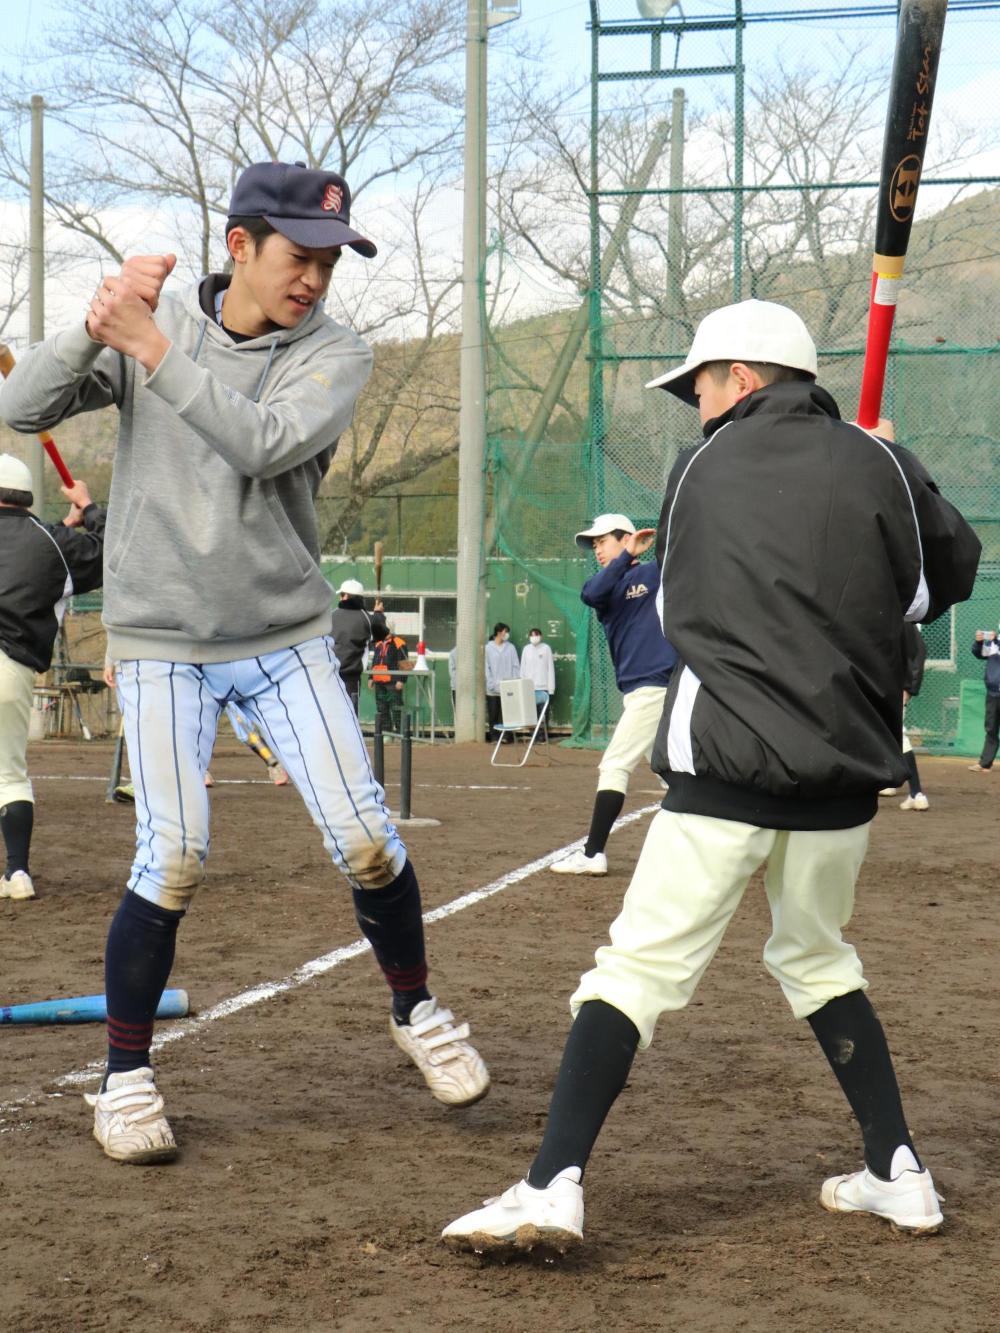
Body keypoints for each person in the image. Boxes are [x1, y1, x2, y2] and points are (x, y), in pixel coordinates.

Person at [442, 298, 979, 1255]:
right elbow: (943, 579)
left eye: (701, 385)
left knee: (636, 969)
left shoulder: (699, 470)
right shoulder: (883, 467)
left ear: (743, 378)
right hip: (843, 784)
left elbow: (693, 595)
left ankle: (549, 1183)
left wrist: (876, 466)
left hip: (725, 769)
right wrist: (900, 469)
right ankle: (899, 1169)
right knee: (819, 963)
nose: (697, 405)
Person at [0, 160, 489, 1165]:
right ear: (239, 246)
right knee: (172, 854)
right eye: (298, 256)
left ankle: (415, 1008)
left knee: (365, 837)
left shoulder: (337, 351)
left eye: (329, 260)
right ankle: (126, 1079)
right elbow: (29, 408)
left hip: (282, 634)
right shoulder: (155, 321)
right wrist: (95, 323)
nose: (314, 276)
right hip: (160, 638)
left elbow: (261, 443)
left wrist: (154, 348)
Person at [0, 455, 105, 901]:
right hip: (11, 666)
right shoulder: (52, 541)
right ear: (27, 498)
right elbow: (111, 548)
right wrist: (87, 506)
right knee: (8, 775)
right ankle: (17, 872)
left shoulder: (50, 538)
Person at [550, 515, 677, 876]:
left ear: (624, 538)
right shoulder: (603, 586)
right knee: (672, 774)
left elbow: (679, 566)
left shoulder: (654, 573)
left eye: (602, 541)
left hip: (657, 685)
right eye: (594, 545)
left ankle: (593, 854)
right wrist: (624, 556)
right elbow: (591, 594)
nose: (598, 549)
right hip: (641, 689)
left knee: (614, 765)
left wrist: (641, 550)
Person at [330, 577, 387, 714]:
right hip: (352, 678)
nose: (340, 598)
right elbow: (382, 633)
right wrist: (378, 613)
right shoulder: (367, 618)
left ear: (347, 596)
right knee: (350, 716)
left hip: (329, 675)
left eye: (342, 595)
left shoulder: (331, 616)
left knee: (331, 715)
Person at [897, 623, 929, 811]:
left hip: (892, 689)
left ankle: (917, 793)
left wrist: (909, 688)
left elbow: (919, 651)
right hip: (877, 689)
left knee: (898, 735)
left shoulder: (902, 619)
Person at [968, 627, 1000, 772]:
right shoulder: (994, 644)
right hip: (993, 693)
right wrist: (979, 643)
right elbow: (979, 653)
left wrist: (995, 641)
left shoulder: (996, 642)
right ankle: (985, 763)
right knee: (991, 728)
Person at [369, 622, 409, 734]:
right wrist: (371, 677)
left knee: (396, 707)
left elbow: (404, 663)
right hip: (379, 681)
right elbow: (375, 660)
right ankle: (387, 732)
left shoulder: (399, 643)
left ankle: (401, 732)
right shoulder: (378, 643)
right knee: (382, 707)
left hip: (393, 682)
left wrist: (401, 680)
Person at [484, 622, 518, 743]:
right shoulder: (488, 648)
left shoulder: (511, 647)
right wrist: (491, 683)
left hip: (508, 687)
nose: (507, 634)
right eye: (505, 631)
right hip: (492, 688)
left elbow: (515, 666)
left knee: (508, 713)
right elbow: (486, 667)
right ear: (499, 632)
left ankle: (506, 736)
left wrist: (514, 682)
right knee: (493, 714)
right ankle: (494, 737)